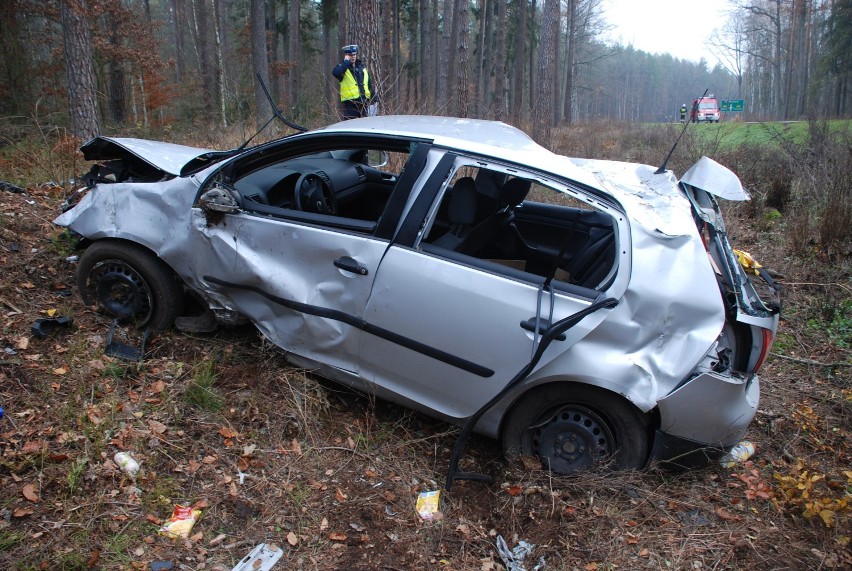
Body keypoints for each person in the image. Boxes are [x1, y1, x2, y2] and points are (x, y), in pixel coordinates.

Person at [332, 44, 377, 119]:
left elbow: (368, 84)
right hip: (350, 105)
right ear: (346, 56)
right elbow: (336, 73)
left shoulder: (362, 68)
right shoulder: (343, 69)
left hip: (364, 103)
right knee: (350, 127)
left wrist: (374, 97)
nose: (353, 56)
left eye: (354, 54)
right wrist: (346, 62)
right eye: (350, 55)